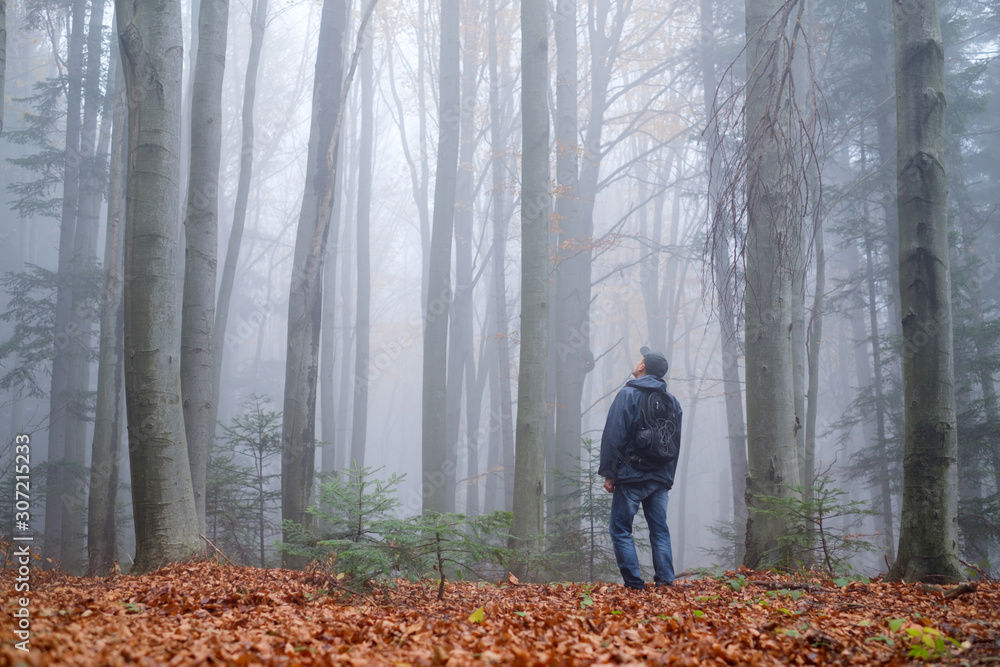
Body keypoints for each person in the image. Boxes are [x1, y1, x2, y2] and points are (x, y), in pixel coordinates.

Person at [598, 346, 682, 590]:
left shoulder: (628, 394)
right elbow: (675, 442)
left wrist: (609, 473)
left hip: (632, 474)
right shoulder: (672, 402)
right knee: (659, 530)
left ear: (642, 366)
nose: (637, 362)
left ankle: (635, 585)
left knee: (621, 529)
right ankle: (665, 582)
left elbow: (614, 434)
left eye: (640, 359)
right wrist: (668, 478)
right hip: (660, 476)